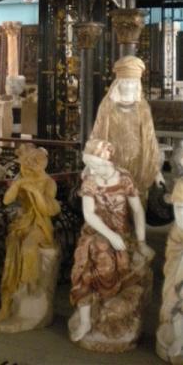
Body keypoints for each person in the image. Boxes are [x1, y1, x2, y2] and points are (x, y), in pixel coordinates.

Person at [69, 138, 154, 348]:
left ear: (108, 162)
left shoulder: (124, 178)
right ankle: (86, 319)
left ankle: (107, 302)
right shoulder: (90, 181)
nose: (92, 170)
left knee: (110, 257)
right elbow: (89, 215)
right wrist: (109, 235)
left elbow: (137, 211)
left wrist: (141, 242)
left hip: (121, 233)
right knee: (90, 256)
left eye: (97, 165)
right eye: (90, 164)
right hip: (95, 232)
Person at [0, 144, 60, 325]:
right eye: (25, 164)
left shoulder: (49, 183)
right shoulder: (21, 178)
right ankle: (6, 304)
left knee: (28, 246)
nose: (27, 168)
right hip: (22, 222)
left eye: (32, 164)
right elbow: (7, 200)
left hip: (40, 225)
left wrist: (35, 192)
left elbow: (48, 210)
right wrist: (18, 184)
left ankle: (30, 281)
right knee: (12, 254)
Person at [90, 55, 164, 201]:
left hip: (137, 164)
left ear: (138, 84)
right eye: (125, 82)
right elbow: (98, 135)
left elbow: (150, 141)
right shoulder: (107, 106)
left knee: (136, 203)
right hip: (113, 165)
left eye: (132, 82)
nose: (129, 86)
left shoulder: (143, 108)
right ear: (118, 84)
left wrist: (156, 171)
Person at [156, 178, 183, 363]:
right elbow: (173, 253)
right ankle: (178, 336)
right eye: (179, 209)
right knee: (175, 298)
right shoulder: (177, 231)